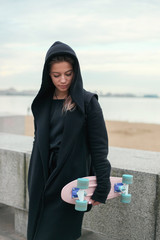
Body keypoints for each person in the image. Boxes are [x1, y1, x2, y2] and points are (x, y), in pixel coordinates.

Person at [27, 41, 111, 240]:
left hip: (70, 179)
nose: (63, 80)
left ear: (76, 72)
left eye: (68, 73)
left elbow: (99, 148)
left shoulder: (88, 103)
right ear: (48, 74)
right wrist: (34, 176)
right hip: (41, 176)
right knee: (36, 232)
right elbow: (38, 141)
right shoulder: (41, 103)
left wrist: (102, 187)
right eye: (57, 75)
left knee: (59, 234)